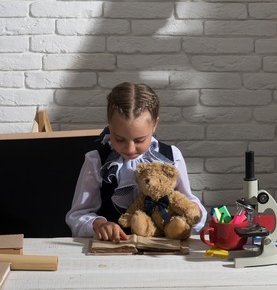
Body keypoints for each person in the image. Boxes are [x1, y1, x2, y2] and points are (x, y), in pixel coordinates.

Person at [66, 82, 207, 242]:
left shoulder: (171, 156)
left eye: (139, 140)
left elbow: (189, 201)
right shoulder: (96, 161)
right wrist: (98, 224)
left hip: (162, 251)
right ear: (110, 126)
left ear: (154, 125)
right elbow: (77, 215)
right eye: (119, 139)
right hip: (114, 252)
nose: (130, 148)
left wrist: (193, 211)